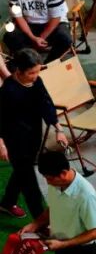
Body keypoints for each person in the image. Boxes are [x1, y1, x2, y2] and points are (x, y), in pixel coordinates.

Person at [0, 48, 68, 218]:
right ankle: (41, 219)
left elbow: (46, 104)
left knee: (22, 171)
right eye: (31, 73)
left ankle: (7, 203)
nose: (35, 76)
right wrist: (1, 145)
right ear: (19, 71)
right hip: (14, 140)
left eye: (37, 71)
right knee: (29, 181)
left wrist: (58, 129)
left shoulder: (37, 82)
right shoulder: (7, 90)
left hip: (33, 135)